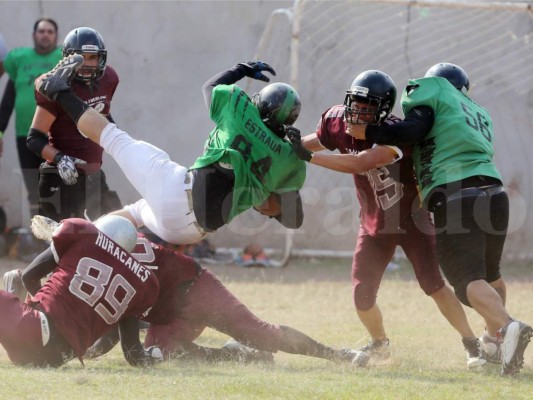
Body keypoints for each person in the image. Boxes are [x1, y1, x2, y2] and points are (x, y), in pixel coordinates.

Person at [344, 63, 532, 375]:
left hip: (458, 192)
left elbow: (412, 130)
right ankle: (494, 338)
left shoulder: (432, 90)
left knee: (465, 281)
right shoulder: (477, 111)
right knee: (490, 275)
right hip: (495, 192)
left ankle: (509, 327)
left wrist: (371, 132)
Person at [291, 70, 485, 368]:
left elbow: (362, 161)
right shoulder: (338, 121)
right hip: (373, 225)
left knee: (434, 285)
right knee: (361, 294)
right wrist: (287, 144)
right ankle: (380, 343)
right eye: (356, 103)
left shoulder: (396, 135)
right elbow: (316, 141)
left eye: (368, 107)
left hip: (413, 222)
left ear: (383, 109)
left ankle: (471, 343)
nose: (358, 111)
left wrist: (306, 156)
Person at [33, 55, 306, 245]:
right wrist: (300, 153)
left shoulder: (241, 111)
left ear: (260, 104)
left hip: (178, 193)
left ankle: (57, 89)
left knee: (115, 138)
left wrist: (241, 69)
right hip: (191, 232)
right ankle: (78, 236)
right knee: (137, 211)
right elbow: (294, 220)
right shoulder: (288, 159)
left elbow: (209, 86)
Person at [84, 225, 362, 365]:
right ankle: (238, 356)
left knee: (260, 332)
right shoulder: (124, 244)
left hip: (197, 291)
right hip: (169, 314)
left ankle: (338, 355)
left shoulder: (123, 264)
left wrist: (82, 350)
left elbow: (117, 327)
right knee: (161, 354)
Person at [0, 215, 160, 367]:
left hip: (33, 329)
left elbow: (28, 277)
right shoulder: (143, 282)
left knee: (17, 279)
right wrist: (155, 356)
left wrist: (41, 308)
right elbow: (134, 355)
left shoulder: (83, 235)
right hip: (53, 358)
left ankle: (16, 300)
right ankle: (16, 302)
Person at [26, 27, 122, 222]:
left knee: (117, 230)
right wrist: (60, 158)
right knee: (69, 245)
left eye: (92, 57)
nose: (87, 64)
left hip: (94, 175)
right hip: (61, 178)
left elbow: (103, 112)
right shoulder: (57, 87)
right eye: (81, 58)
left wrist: (115, 137)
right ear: (68, 59)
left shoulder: (109, 78)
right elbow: (34, 138)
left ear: (100, 58)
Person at [0, 19, 62, 220]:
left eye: (50, 31)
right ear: (34, 35)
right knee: (33, 189)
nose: (45, 34)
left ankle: (60, 236)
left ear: (56, 36)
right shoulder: (20, 59)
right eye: (41, 31)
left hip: (55, 136)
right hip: (24, 136)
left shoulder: (64, 59)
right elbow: (8, 100)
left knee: (54, 187)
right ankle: (39, 240)